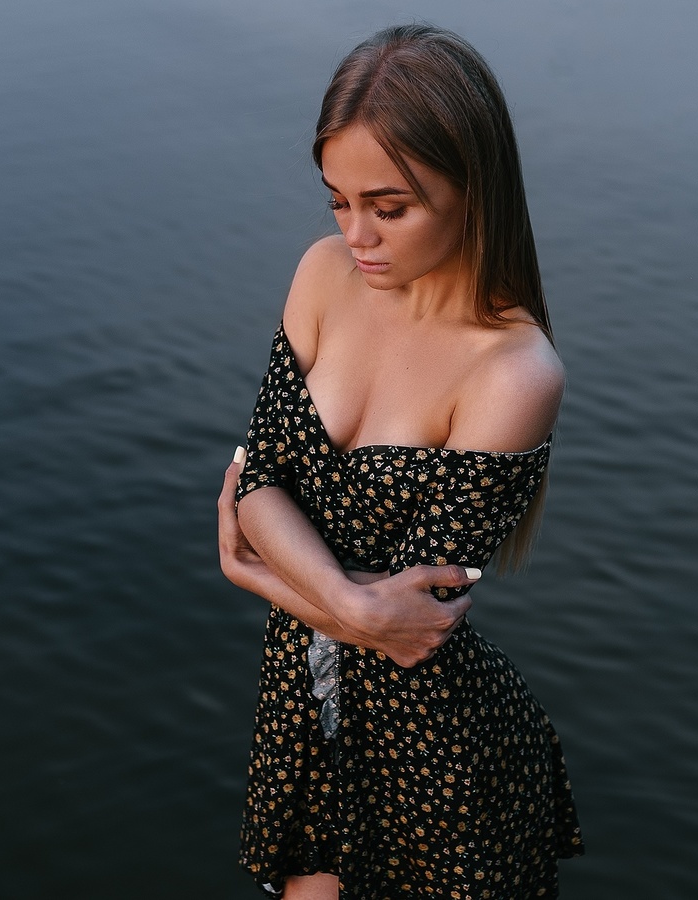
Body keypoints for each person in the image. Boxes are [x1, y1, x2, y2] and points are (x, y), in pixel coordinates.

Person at [216, 24, 584, 899]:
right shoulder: (320, 276)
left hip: (435, 755)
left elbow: (415, 626)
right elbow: (260, 480)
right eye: (338, 201)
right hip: (303, 708)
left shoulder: (513, 372)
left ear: (472, 190)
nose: (356, 237)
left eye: (389, 207)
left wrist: (258, 572)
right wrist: (345, 599)